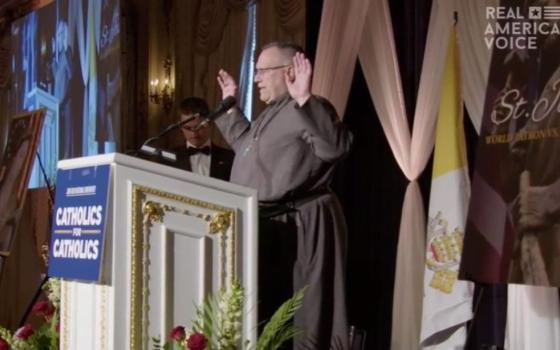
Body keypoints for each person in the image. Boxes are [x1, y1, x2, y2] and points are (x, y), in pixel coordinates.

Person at [215, 42, 352, 349]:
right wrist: (230, 106)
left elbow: (336, 147)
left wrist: (304, 97)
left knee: (305, 314)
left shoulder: (310, 106)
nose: (256, 79)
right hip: (269, 226)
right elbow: (246, 146)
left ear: (289, 71)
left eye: (263, 71)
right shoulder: (269, 114)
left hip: (301, 225)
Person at [172, 97, 234, 181]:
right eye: (188, 128)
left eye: (199, 127)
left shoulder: (229, 158)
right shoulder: (170, 157)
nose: (194, 133)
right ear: (180, 127)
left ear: (210, 123)